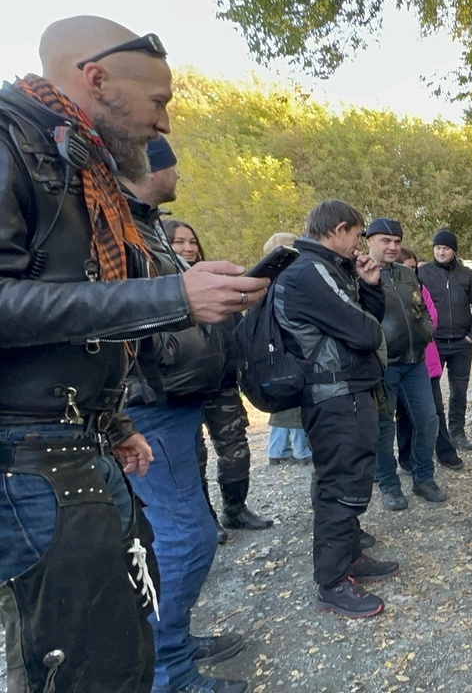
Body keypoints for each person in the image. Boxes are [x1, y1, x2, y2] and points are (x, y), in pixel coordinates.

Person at [0, 16, 265, 693]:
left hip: (79, 440)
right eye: (160, 102)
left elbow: (78, 312)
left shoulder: (80, 167)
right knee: (79, 663)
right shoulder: (10, 143)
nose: (167, 124)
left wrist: (112, 421)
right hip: (26, 455)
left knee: (121, 643)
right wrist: (171, 298)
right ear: (96, 78)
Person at [123, 136, 255, 693]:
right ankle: (168, 673)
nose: (177, 168)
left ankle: (173, 643)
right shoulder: (117, 230)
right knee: (187, 540)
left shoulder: (148, 225)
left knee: (169, 538)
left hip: (177, 401)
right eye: (167, 155)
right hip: (152, 405)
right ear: (147, 166)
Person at [275, 200, 399, 619]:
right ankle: (330, 581)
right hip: (332, 395)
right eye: (357, 235)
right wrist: (363, 316)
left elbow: (367, 318)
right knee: (338, 485)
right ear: (339, 229)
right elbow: (365, 332)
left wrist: (369, 286)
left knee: (352, 476)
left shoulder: (329, 269)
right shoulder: (309, 272)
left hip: (348, 390)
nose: (358, 246)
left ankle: (349, 557)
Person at [163, 217, 275, 543]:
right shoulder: (159, 289)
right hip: (180, 390)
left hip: (223, 384)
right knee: (193, 458)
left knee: (236, 451)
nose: (187, 248)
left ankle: (235, 508)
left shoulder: (215, 283)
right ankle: (206, 519)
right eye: (178, 242)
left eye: (191, 241)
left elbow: (237, 329)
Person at [364, 218, 446, 510]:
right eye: (385, 241)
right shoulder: (359, 274)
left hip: (416, 362)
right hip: (383, 366)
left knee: (428, 419)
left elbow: (421, 308)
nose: (393, 246)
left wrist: (426, 333)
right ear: (369, 240)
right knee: (384, 429)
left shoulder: (407, 274)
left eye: (396, 241)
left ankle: (424, 478)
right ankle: (389, 485)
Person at [394, 247, 464, 473]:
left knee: (435, 410)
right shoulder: (381, 287)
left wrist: (417, 329)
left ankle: (444, 452)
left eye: (414, 268)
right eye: (406, 267)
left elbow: (432, 318)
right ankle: (406, 459)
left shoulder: (420, 289)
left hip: (425, 360)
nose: (411, 272)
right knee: (403, 415)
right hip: (396, 361)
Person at [417, 229, 472, 451]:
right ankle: (436, 438)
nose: (440, 251)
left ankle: (457, 433)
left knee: (459, 391)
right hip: (433, 344)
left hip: (461, 344)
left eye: (445, 248)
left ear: (454, 250)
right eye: (437, 247)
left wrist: (471, 336)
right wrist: (424, 334)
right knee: (430, 392)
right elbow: (415, 306)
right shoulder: (423, 273)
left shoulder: (469, 276)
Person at [258, 232, 314, 465]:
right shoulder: (281, 282)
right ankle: (301, 452)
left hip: (279, 355)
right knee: (293, 411)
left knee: (284, 413)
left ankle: (278, 451)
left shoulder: (268, 282)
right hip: (287, 354)